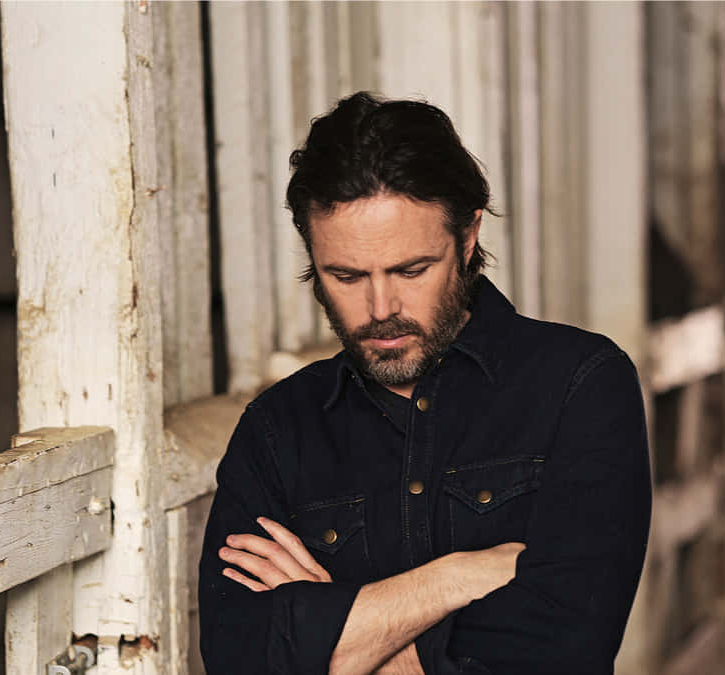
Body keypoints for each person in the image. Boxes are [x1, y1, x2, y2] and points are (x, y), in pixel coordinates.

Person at [198, 91, 651, 675]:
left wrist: (332, 632)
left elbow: (563, 648)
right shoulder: (276, 430)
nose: (380, 307)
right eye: (346, 275)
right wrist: (453, 578)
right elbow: (240, 659)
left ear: (467, 240)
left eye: (411, 270)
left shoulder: (580, 385)